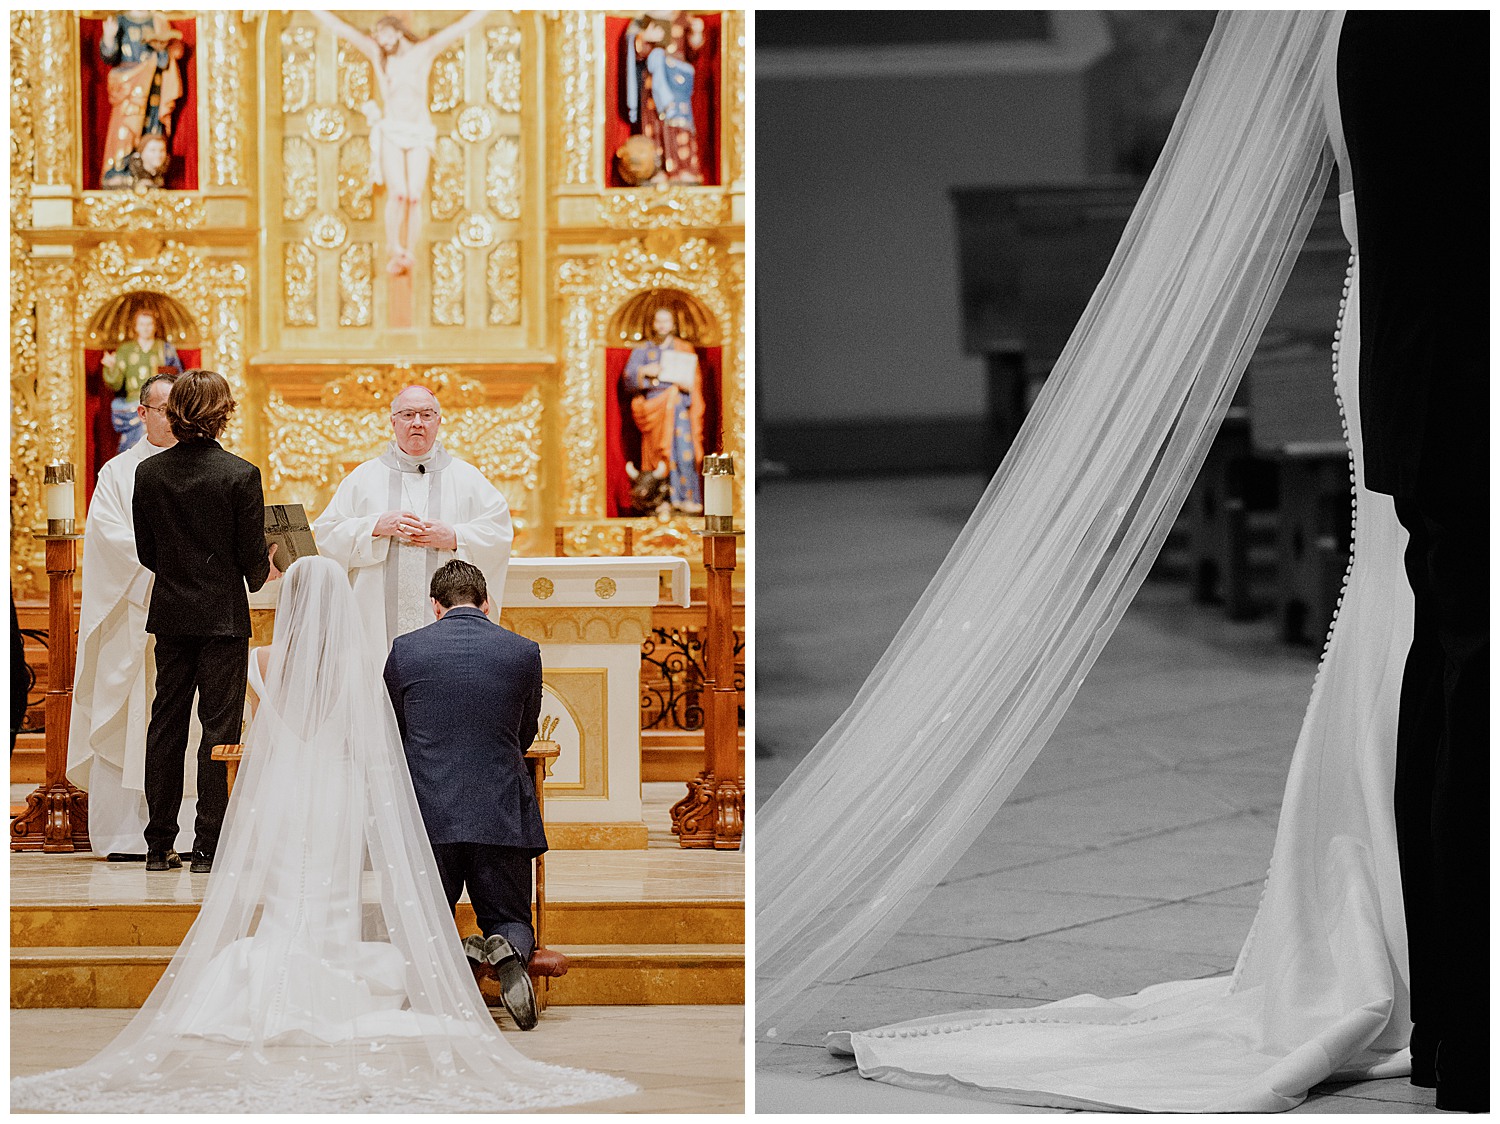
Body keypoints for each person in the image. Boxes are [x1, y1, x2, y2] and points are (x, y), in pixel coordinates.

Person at [758, 10, 1481, 1113]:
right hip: (1443, 361)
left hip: (1412, 352)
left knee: (1426, 655)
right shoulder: (1410, 30)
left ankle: (1446, 993)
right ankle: (1461, 1006)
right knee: (1452, 659)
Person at [10, 556, 632, 1113]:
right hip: (386, 795)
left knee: (315, 899)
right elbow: (398, 737)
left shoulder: (274, 661)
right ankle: (501, 947)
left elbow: (300, 724)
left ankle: (414, 955)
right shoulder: (385, 666)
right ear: (486, 601)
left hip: (286, 798)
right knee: (406, 901)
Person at [1337, 13, 1487, 1111]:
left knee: (1455, 682)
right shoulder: (1438, 27)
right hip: (1466, 392)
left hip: (1435, 394)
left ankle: (1460, 1030)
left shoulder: (1383, 22)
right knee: (1466, 695)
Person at [383, 559, 547, 1031]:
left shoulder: (406, 651)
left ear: (435, 607)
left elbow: (397, 730)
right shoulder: (522, 651)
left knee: (430, 913)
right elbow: (525, 731)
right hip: (500, 808)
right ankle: (505, 948)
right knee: (510, 913)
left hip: (430, 812)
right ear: (486, 602)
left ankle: (446, 981)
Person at [132, 368, 276, 873]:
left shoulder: (149, 473)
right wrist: (270, 561)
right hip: (221, 619)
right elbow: (251, 563)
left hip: (171, 615)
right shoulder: (240, 474)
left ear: (174, 413)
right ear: (222, 413)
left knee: (165, 726)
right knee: (220, 730)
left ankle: (157, 844)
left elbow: (146, 551)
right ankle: (208, 845)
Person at [65, 371, 198, 859]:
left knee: (188, 723)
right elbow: (111, 540)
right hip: (135, 616)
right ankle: (123, 833)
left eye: (182, 408)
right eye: (165, 409)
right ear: (141, 413)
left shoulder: (200, 467)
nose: (175, 418)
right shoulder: (118, 473)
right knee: (129, 718)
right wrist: (176, 571)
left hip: (187, 616)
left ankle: (183, 832)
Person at [313, 385, 513, 662]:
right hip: (375, 624)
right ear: (393, 421)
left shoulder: (467, 478)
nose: (417, 422)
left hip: (447, 621)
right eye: (408, 414)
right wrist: (375, 526)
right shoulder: (363, 478)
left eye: (426, 414)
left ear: (439, 421)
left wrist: (455, 536)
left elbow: (499, 533)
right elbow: (326, 534)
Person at [312, 9, 487, 275]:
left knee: (414, 196)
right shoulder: (378, 56)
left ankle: (409, 250)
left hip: (418, 131)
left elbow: (460, 28)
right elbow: (343, 30)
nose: (381, 42)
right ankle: (394, 247)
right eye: (378, 38)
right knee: (399, 194)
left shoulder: (423, 52)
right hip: (392, 130)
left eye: (383, 35)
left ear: (396, 30)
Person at [622, 305, 706, 512]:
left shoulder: (683, 348)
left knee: (682, 451)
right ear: (652, 323)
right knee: (656, 455)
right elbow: (628, 379)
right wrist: (644, 371)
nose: (661, 325)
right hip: (654, 408)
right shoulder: (642, 350)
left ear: (673, 324)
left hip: (678, 408)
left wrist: (687, 385)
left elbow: (694, 381)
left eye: (666, 321)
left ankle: (685, 497)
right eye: (658, 321)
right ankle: (659, 500)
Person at [98, 10, 184, 188]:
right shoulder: (120, 21)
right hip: (129, 87)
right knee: (126, 128)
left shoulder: (158, 21)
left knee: (151, 129)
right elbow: (109, 57)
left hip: (152, 86)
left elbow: (165, 60)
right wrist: (109, 37)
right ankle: (120, 170)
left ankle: (147, 173)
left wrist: (162, 49)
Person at [623, 11, 707, 184]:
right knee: (654, 126)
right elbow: (635, 50)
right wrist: (643, 38)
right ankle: (656, 169)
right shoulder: (643, 17)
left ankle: (683, 167)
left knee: (680, 124)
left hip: (677, 81)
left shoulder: (683, 17)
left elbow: (693, 51)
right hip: (653, 83)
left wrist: (697, 32)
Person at [101, 308, 182, 454]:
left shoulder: (165, 349)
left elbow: (177, 377)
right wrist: (111, 367)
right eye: (142, 324)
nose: (146, 328)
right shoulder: (125, 350)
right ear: (136, 327)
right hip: (133, 404)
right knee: (133, 446)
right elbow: (116, 383)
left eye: (149, 324)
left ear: (155, 326)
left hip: (160, 404)